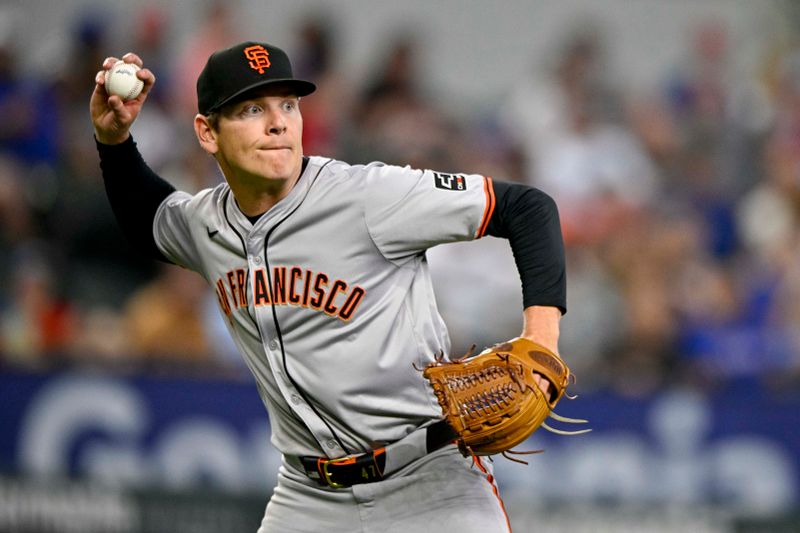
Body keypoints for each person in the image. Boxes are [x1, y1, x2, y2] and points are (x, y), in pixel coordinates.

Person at [90, 41, 567, 533]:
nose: (278, 123)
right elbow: (148, 218)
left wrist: (541, 339)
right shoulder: (207, 224)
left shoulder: (369, 196)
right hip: (308, 496)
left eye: (288, 106)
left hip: (431, 482)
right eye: (253, 109)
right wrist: (113, 140)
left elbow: (527, 208)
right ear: (207, 132)